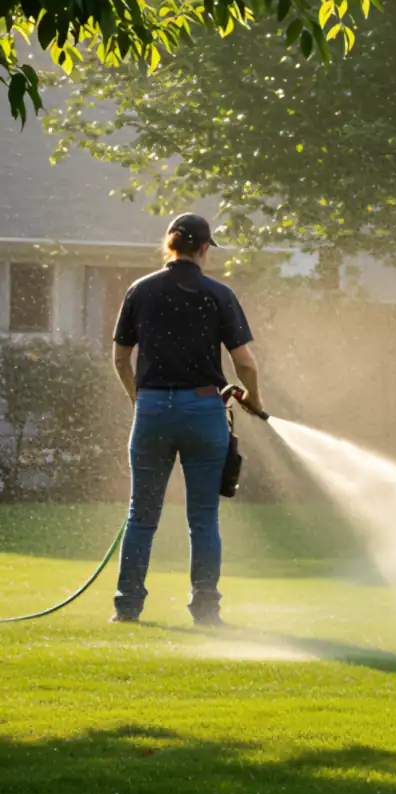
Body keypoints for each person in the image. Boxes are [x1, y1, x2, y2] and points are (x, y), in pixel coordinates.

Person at [111, 213, 265, 626]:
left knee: (140, 516)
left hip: (153, 410)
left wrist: (137, 399)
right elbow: (245, 363)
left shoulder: (139, 291)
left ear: (170, 246)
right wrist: (253, 399)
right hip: (203, 411)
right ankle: (205, 609)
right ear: (202, 249)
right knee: (202, 518)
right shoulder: (218, 294)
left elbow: (120, 358)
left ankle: (127, 607)